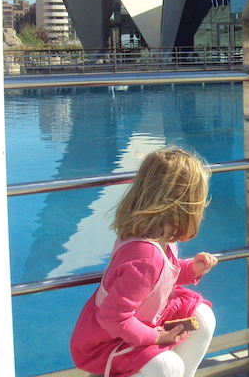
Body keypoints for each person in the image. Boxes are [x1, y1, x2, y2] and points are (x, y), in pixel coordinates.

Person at [70, 148, 218, 377]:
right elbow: (113, 318)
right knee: (168, 367)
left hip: (141, 321)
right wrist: (158, 337)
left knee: (203, 320)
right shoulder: (143, 257)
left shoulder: (161, 238)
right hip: (109, 341)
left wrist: (189, 269)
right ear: (183, 205)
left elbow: (155, 282)